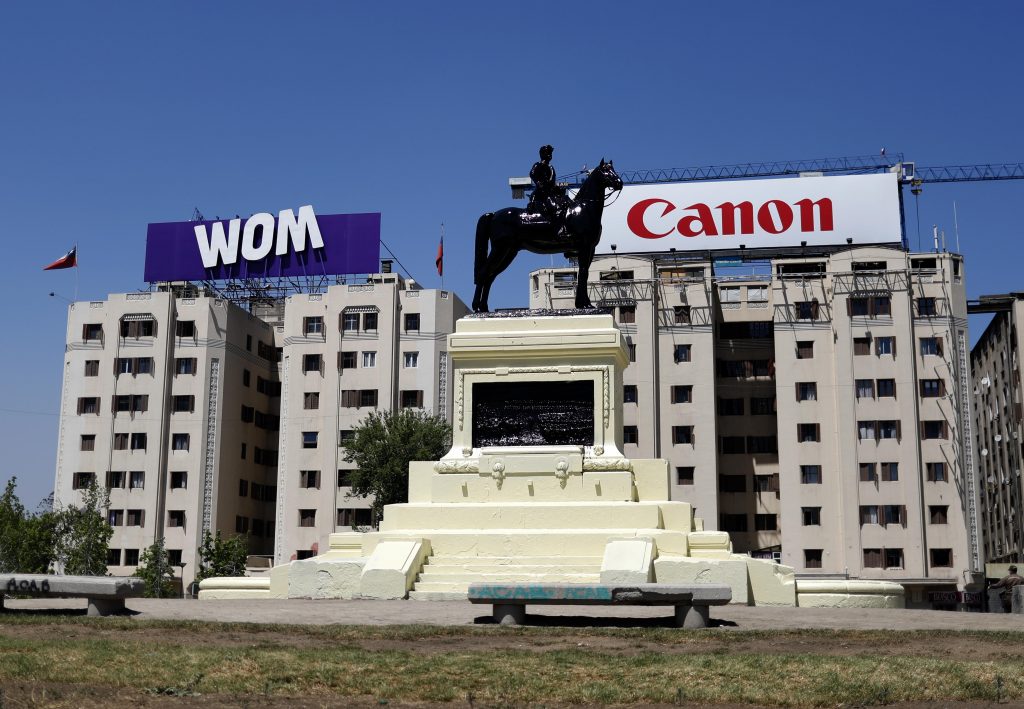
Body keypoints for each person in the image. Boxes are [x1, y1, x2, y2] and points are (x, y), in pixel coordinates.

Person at [527, 145, 570, 222]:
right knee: (536, 200)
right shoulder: (538, 164)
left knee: (564, 200)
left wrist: (556, 188)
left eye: (550, 153)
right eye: (548, 153)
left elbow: (552, 180)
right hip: (542, 190)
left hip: (551, 190)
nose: (550, 155)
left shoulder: (550, 167)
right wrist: (538, 182)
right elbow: (532, 173)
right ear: (542, 154)